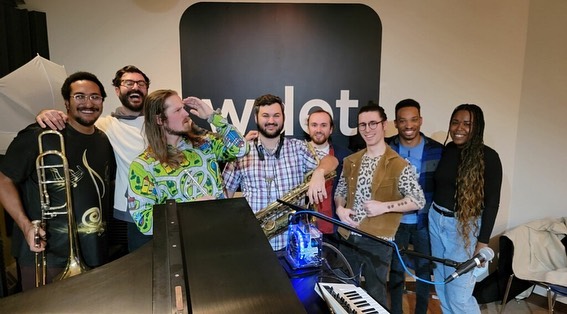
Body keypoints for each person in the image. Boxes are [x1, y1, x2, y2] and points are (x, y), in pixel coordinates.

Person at [0, 71, 116, 290]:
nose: (88, 103)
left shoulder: (102, 139)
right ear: (66, 102)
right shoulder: (39, 135)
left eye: (95, 97)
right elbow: (3, 180)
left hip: (93, 250)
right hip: (46, 253)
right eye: (79, 96)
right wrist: (25, 226)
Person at [37, 65, 152, 252]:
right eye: (128, 83)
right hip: (134, 212)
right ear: (117, 90)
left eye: (141, 83)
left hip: (169, 203)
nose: (135, 87)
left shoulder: (160, 121)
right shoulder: (105, 124)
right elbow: (76, 120)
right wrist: (45, 113)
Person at [334, 102, 425, 306]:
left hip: (378, 240)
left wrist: (384, 207)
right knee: (343, 290)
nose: (368, 129)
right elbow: (340, 191)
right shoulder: (351, 160)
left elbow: (418, 200)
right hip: (348, 234)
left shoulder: (399, 164)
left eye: (373, 123)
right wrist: (340, 208)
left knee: (375, 295)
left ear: (384, 125)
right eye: (363, 125)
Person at [222, 94, 338, 251]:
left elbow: (332, 161)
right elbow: (224, 197)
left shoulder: (298, 148)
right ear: (256, 118)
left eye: (276, 115)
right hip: (254, 244)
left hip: (293, 247)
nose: (271, 121)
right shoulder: (241, 153)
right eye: (265, 116)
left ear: (283, 118)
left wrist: (319, 173)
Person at [127, 89, 248, 235]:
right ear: (159, 120)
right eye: (177, 110)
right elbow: (144, 223)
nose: (186, 113)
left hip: (221, 236)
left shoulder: (204, 145)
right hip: (183, 248)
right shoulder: (143, 166)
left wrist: (213, 117)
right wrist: (189, 209)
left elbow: (241, 148)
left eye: (183, 108)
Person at [429, 104, 502, 313]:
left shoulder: (489, 157)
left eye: (467, 124)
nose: (459, 128)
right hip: (436, 220)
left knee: (459, 295)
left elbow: (492, 203)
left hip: (464, 229)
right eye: (455, 122)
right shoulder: (447, 150)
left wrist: (482, 243)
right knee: (442, 288)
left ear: (477, 127)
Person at [386, 99, 443, 314]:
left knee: (423, 271)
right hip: (395, 221)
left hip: (424, 222)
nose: (408, 125)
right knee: (396, 271)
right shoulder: (387, 147)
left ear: (420, 120)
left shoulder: (437, 150)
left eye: (413, 120)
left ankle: (420, 311)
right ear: (396, 123)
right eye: (403, 121)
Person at [305, 107, 351, 245]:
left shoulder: (346, 156)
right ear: (308, 128)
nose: (318, 130)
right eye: (314, 125)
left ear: (331, 129)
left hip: (335, 230)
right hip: (303, 229)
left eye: (324, 125)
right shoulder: (296, 153)